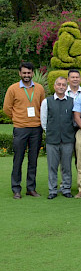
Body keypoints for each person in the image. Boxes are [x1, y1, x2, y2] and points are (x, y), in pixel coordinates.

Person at [3, 61, 45, 198]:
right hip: (20, 128)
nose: (27, 75)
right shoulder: (13, 89)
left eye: (29, 73)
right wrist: (17, 119)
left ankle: (31, 188)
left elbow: (43, 107)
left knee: (33, 160)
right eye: (24, 73)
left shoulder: (39, 88)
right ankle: (16, 189)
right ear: (20, 73)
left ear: (32, 73)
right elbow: (7, 109)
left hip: (36, 129)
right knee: (18, 159)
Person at [40, 76, 75, 199]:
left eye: (64, 85)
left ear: (67, 87)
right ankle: (52, 190)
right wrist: (51, 131)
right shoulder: (46, 101)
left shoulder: (72, 101)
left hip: (67, 139)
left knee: (66, 166)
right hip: (52, 139)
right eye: (59, 84)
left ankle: (66, 189)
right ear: (54, 86)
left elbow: (74, 120)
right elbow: (44, 121)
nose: (61, 87)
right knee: (52, 166)